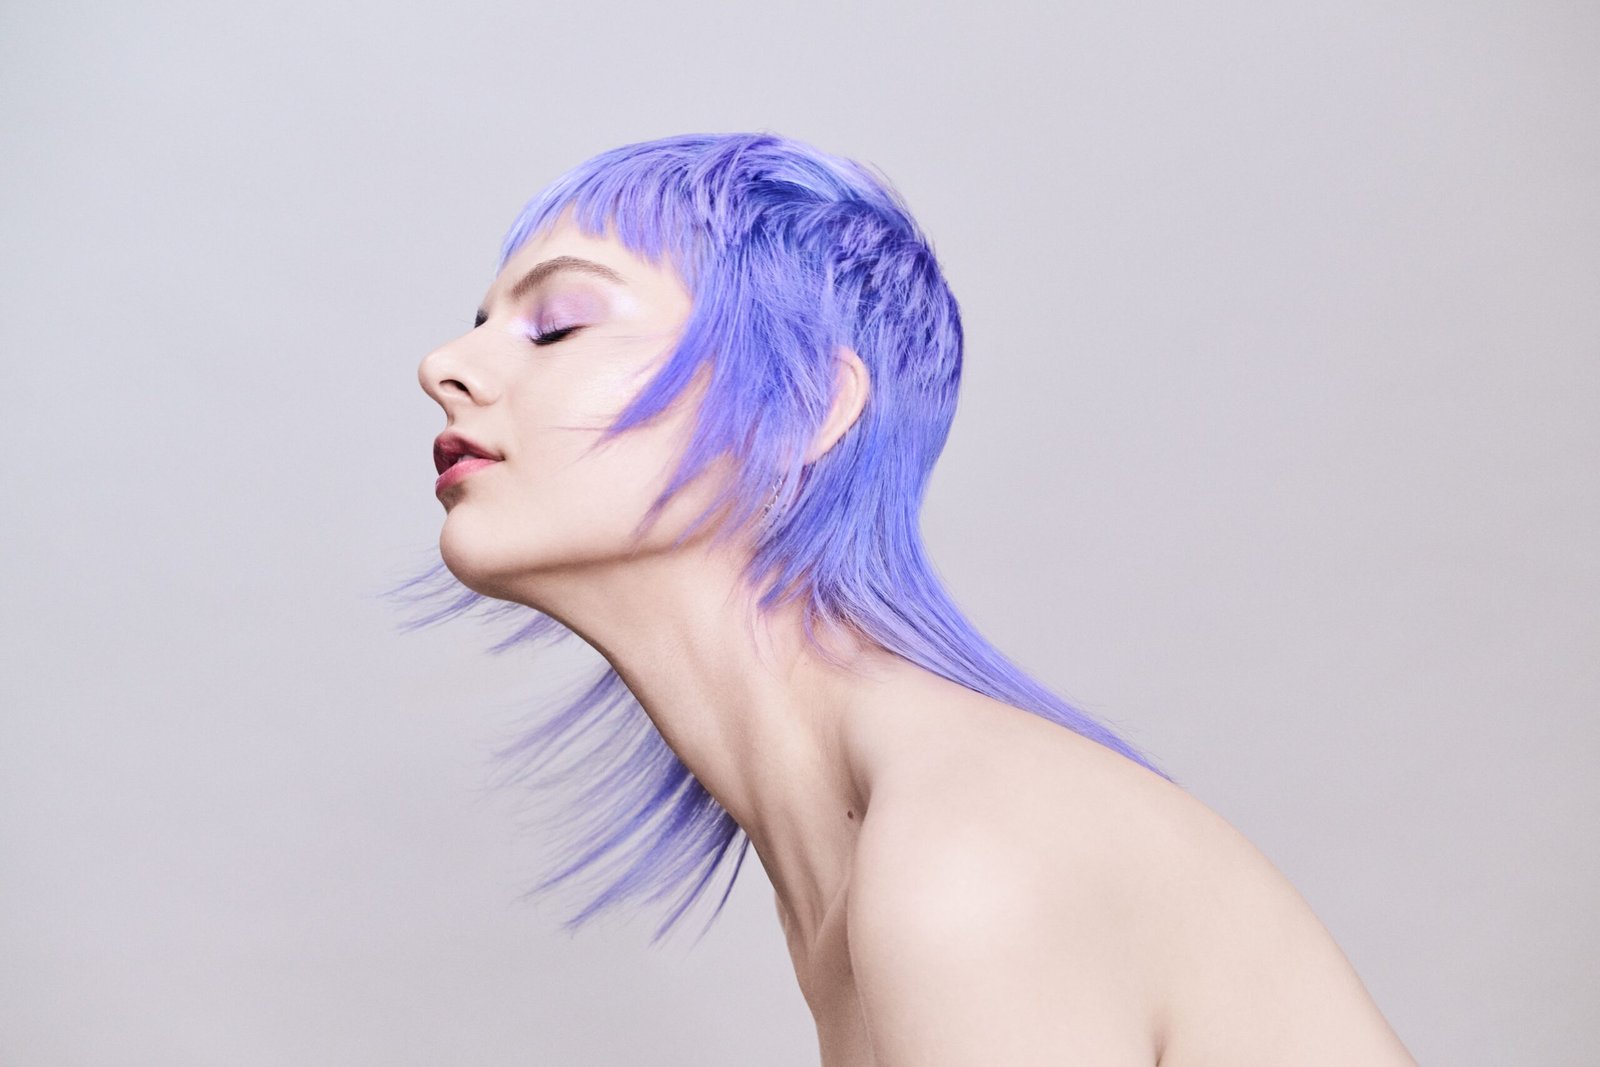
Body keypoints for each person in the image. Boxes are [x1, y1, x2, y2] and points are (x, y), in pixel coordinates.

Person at [398, 131, 1417, 1065]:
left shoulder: (968, 850)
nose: (443, 365)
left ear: (801, 405)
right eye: (482, 324)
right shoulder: (883, 856)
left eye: (557, 326)